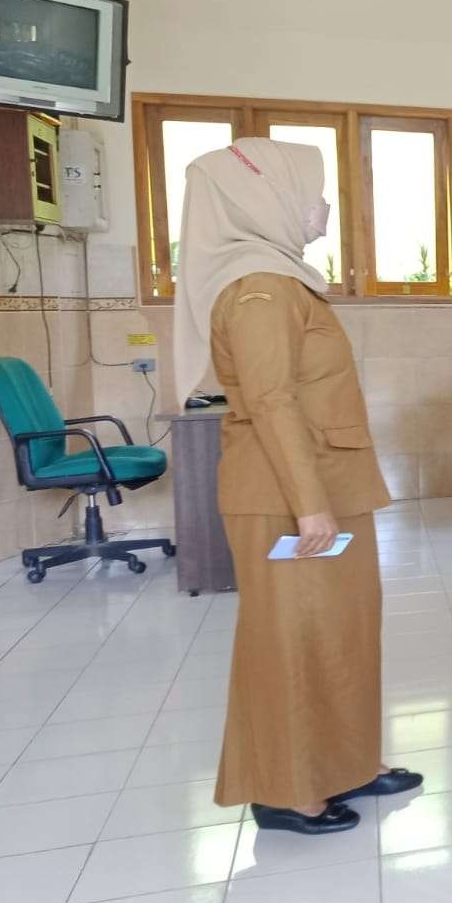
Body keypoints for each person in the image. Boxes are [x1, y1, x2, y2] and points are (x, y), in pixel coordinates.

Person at [174, 139, 421, 836]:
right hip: (287, 496)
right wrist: (309, 504)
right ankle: (289, 790)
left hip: (326, 485)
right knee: (291, 640)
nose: (324, 207)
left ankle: (345, 763)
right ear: (266, 198)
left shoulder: (282, 280)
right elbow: (272, 400)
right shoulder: (258, 288)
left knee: (341, 633)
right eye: (312, 192)